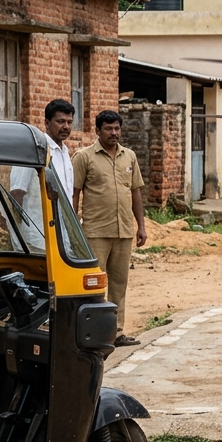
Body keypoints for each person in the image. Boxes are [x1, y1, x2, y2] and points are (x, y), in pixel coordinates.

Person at [72, 110, 147, 347]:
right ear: (97, 130)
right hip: (95, 232)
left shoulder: (130, 157)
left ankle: (116, 332)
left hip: (123, 231)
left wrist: (141, 226)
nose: (113, 133)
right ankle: (93, 333)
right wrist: (73, 229)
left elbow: (135, 192)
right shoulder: (84, 157)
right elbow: (74, 193)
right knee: (94, 285)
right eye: (108, 129)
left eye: (117, 128)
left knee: (119, 285)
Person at [11, 99, 77, 249]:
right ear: (47, 123)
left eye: (69, 122)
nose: (66, 127)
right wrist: (19, 234)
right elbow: (17, 192)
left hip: (60, 237)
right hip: (37, 237)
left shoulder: (64, 152)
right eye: (60, 121)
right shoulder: (33, 150)